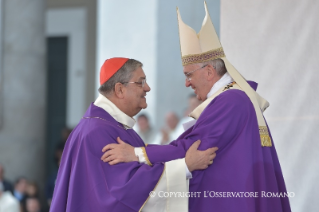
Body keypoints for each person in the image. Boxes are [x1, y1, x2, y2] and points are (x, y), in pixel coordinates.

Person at [101, 2, 291, 212]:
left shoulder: (231, 101)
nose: (187, 83)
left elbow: (193, 149)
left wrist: (136, 154)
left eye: (188, 75)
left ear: (209, 72)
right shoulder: (233, 98)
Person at [50, 58, 218, 212]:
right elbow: (122, 194)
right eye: (140, 82)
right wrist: (185, 166)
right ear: (120, 89)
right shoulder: (97, 132)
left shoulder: (112, 126)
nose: (147, 88)